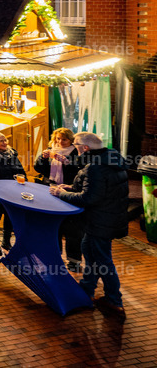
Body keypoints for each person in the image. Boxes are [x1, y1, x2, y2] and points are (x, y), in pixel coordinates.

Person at [51, 132, 130, 320]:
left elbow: (89, 198)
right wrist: (71, 187)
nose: (75, 148)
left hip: (100, 221)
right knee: (90, 250)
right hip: (109, 218)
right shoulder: (110, 160)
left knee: (103, 260)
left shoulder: (96, 166)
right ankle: (87, 288)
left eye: (76, 144)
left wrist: (60, 194)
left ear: (85, 147)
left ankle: (114, 300)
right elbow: (99, 189)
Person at [34, 127, 84, 270]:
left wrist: (65, 161)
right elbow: (39, 169)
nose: (60, 142)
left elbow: (79, 171)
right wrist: (42, 159)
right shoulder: (51, 149)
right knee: (52, 226)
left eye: (64, 139)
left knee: (71, 228)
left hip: (68, 191)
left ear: (71, 140)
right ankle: (54, 257)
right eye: (58, 139)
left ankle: (74, 261)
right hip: (50, 189)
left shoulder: (76, 152)